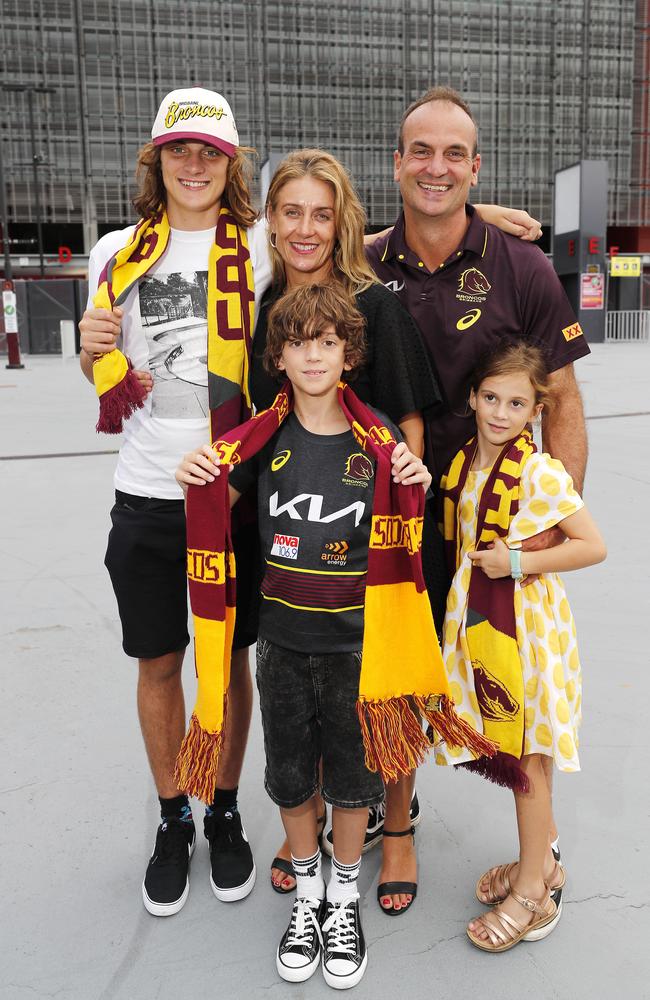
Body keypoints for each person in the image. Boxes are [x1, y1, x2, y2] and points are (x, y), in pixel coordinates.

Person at [175, 282, 492, 987]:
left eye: (327, 342)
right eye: (298, 343)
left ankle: (344, 893)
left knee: (353, 783)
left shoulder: (379, 438)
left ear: (349, 354)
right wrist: (196, 471)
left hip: (358, 648)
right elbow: (215, 496)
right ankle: (310, 891)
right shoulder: (259, 439)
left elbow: (413, 505)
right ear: (277, 356)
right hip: (283, 647)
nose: (312, 355)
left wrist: (413, 476)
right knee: (289, 776)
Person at [251, 147, 547, 898]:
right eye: (292, 212)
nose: (307, 228)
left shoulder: (372, 302)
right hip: (297, 527)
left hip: (376, 532)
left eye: (323, 212)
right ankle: (311, 828)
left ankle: (400, 823)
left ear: (343, 218)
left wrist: (400, 531)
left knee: (384, 684)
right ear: (271, 221)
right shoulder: (266, 306)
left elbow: (409, 422)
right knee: (308, 687)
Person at [365, 85, 592, 915]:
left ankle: (543, 859)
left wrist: (542, 539)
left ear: (476, 164)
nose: (437, 166)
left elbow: (563, 401)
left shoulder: (520, 266)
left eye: (454, 155)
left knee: (514, 693)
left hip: (494, 529)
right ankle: (398, 822)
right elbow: (291, 228)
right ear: (395, 163)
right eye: (420, 152)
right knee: (391, 675)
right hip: (394, 518)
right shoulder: (364, 262)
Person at [78, 87, 271, 917]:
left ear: (231, 166)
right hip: (149, 494)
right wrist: (92, 358)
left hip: (239, 493)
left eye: (210, 152)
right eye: (178, 149)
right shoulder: (116, 252)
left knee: (229, 664)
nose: (194, 164)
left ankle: (224, 809)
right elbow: (105, 372)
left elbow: (354, 231)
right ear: (156, 159)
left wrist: (486, 217)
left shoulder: (262, 245)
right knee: (159, 663)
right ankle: (172, 816)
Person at [434, 340, 606, 951]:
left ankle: (532, 890)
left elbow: (592, 545)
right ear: (473, 398)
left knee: (529, 760)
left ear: (536, 409)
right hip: (484, 626)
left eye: (516, 403)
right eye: (491, 399)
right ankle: (543, 863)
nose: (501, 414)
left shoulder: (537, 471)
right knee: (519, 752)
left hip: (528, 630)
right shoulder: (466, 466)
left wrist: (514, 562)